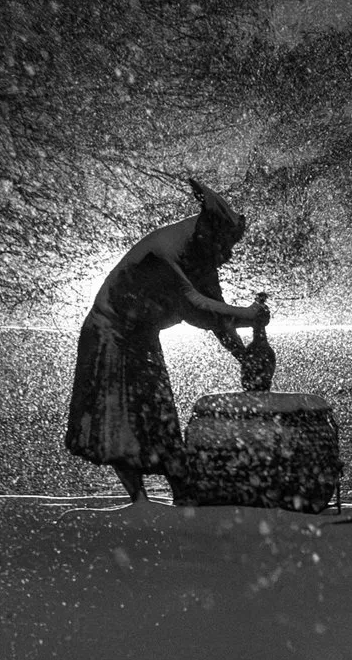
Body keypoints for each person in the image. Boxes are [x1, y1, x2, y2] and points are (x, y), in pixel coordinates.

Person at [65, 178, 270, 503]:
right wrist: (248, 316)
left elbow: (214, 309)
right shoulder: (162, 257)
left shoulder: (198, 255)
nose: (226, 256)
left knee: (160, 415)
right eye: (224, 247)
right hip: (109, 336)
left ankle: (181, 495)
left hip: (140, 335)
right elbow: (196, 309)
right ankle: (141, 502)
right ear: (207, 234)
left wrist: (243, 354)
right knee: (119, 424)